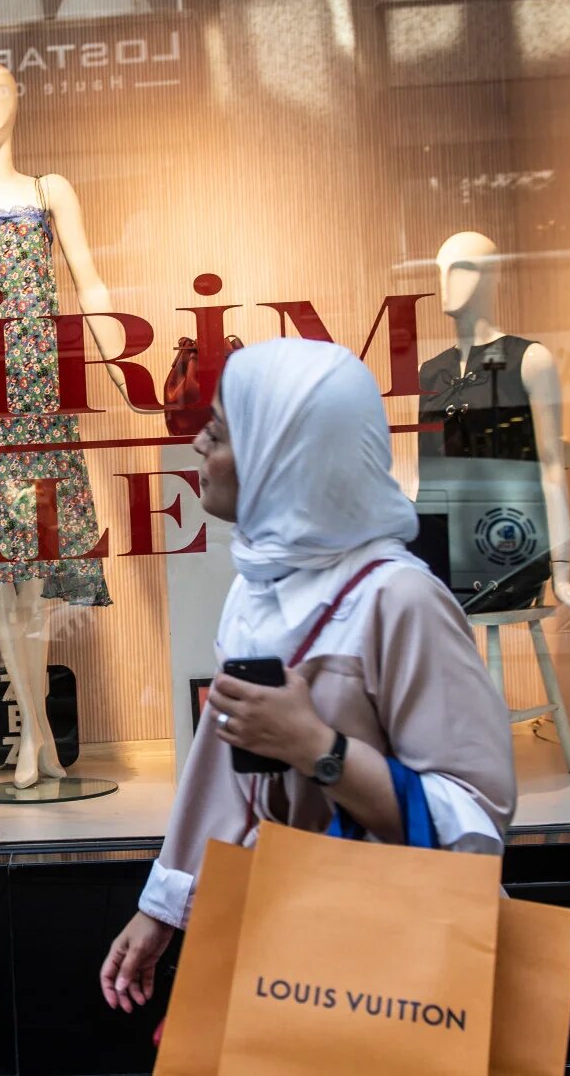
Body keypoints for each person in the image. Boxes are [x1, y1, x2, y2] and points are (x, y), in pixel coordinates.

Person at [99, 338, 517, 1014]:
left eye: (223, 431)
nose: (200, 447)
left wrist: (316, 751)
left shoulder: (398, 600)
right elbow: (222, 771)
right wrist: (165, 906)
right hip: (279, 932)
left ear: (286, 457)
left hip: (393, 955)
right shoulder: (257, 589)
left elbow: (474, 819)